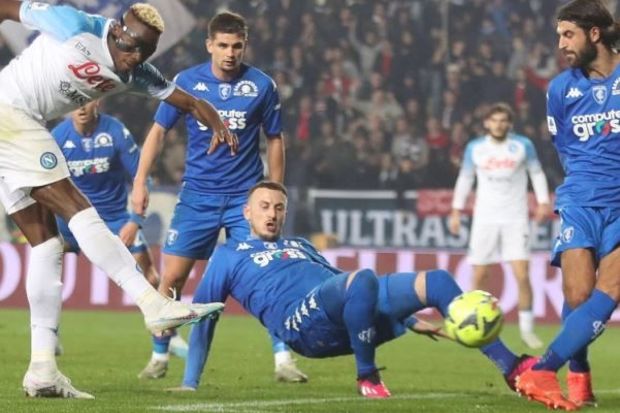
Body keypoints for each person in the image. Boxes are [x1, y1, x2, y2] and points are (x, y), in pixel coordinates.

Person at [0, 1, 237, 399]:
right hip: (10, 113)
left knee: (46, 244)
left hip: (18, 123)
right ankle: (151, 304)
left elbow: (187, 100)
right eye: (129, 48)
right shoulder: (73, 24)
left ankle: (42, 370)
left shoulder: (136, 72)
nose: (132, 59)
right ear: (115, 32)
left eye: (143, 54)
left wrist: (214, 119)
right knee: (77, 207)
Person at [172, 180, 538, 398]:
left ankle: (512, 368)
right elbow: (204, 316)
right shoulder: (229, 255)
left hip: (338, 312)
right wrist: (190, 382)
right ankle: (367, 375)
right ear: (247, 213)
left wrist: (410, 320)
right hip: (302, 326)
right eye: (264, 207)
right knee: (362, 279)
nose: (272, 214)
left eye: (279, 208)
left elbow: (338, 280)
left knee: (438, 281)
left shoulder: (301, 244)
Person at [131, 12, 305, 383]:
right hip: (198, 197)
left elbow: (275, 138)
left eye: (237, 46)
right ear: (209, 44)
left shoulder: (261, 85)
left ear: (245, 45)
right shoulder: (187, 82)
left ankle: (283, 359)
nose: (230, 53)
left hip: (245, 199)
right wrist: (140, 181)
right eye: (223, 45)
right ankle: (160, 354)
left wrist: (273, 192)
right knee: (172, 279)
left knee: (267, 276)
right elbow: (158, 132)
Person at [515, 0, 620, 410]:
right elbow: (564, 147)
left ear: (595, 34)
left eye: (568, 34)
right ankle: (578, 372)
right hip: (580, 198)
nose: (561, 44)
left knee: (609, 290)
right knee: (578, 297)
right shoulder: (560, 89)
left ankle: (544, 370)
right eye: (559, 35)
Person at [449, 103, 551, 350]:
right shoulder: (475, 148)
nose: (498, 124)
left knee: (522, 274)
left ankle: (527, 331)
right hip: (484, 218)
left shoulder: (523, 145)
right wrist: (456, 210)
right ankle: (473, 324)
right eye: (494, 120)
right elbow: (465, 178)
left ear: (509, 123)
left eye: (503, 120)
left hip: (515, 217)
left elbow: (537, 173)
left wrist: (543, 202)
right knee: (479, 275)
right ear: (487, 123)